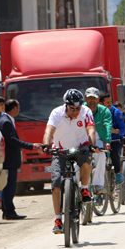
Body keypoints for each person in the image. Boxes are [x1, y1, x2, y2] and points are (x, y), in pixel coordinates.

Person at [42, 89, 98, 234]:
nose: (75, 111)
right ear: (65, 105)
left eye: (77, 108)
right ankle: (58, 219)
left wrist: (92, 144)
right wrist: (46, 145)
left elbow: (91, 129)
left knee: (87, 161)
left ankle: (84, 188)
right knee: (55, 184)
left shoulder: (86, 112)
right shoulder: (56, 113)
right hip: (60, 150)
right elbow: (49, 131)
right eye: (72, 108)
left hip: (81, 146)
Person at [0, 100, 41, 220]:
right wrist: (32, 146)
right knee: (9, 187)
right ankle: (9, 212)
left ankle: (7, 211)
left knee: (8, 186)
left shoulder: (6, 120)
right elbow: (12, 140)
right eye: (18, 106)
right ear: (14, 108)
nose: (19, 109)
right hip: (9, 159)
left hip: (9, 159)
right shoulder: (6, 122)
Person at [85, 88, 111, 195]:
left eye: (94, 98)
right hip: (83, 138)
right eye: (90, 97)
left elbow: (108, 126)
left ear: (98, 99)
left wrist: (107, 141)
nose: (92, 100)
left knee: (101, 155)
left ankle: (98, 184)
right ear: (85, 98)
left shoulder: (104, 111)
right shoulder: (80, 109)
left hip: (99, 138)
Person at [100, 93, 125, 184]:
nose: (109, 104)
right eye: (107, 102)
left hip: (116, 140)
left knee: (114, 152)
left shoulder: (117, 113)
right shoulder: (97, 112)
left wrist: (115, 131)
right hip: (102, 140)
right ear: (101, 103)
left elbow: (123, 130)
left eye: (110, 102)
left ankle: (118, 173)